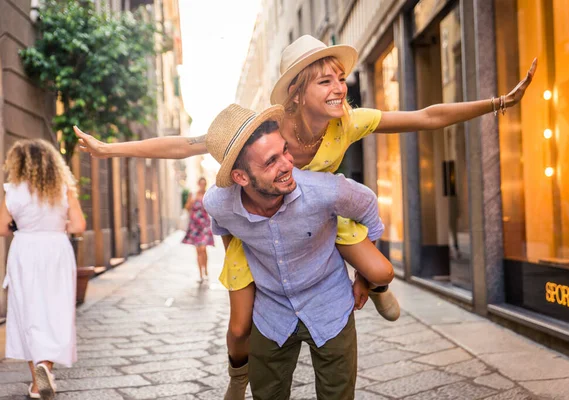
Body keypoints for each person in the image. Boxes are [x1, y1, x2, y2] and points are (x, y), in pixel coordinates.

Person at [74, 35, 537, 399]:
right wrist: (110, 149)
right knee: (239, 326)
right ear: (296, 93)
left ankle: (370, 288)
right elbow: (183, 144)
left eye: (341, 79)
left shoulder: (348, 122)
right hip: (263, 228)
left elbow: (426, 116)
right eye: (326, 81)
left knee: (381, 269)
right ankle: (239, 376)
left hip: (321, 218)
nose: (340, 88)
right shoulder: (264, 131)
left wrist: (496, 103)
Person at [203, 103, 388, 399]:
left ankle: (383, 289)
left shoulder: (324, 190)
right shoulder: (218, 203)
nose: (288, 164)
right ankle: (237, 377)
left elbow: (368, 207)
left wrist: (364, 279)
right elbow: (226, 229)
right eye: (271, 161)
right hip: (271, 313)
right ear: (240, 177)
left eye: (285, 151)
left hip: (330, 304)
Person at [0, 139, 86, 400]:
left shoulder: (12, 190)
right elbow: (79, 226)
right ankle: (45, 367)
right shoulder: (63, 188)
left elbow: (2, 227)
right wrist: (60, 225)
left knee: (28, 311)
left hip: (25, 250)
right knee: (55, 310)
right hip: (56, 250)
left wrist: (21, 227)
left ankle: (37, 382)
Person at [182, 177, 214, 282]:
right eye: (201, 184)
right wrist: (191, 201)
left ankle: (206, 270)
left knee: (203, 249)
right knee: (198, 250)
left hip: (204, 225)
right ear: (198, 184)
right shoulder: (193, 195)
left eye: (204, 184)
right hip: (195, 226)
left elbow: (212, 209)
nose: (202, 186)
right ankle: (201, 274)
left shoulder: (208, 195)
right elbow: (187, 208)